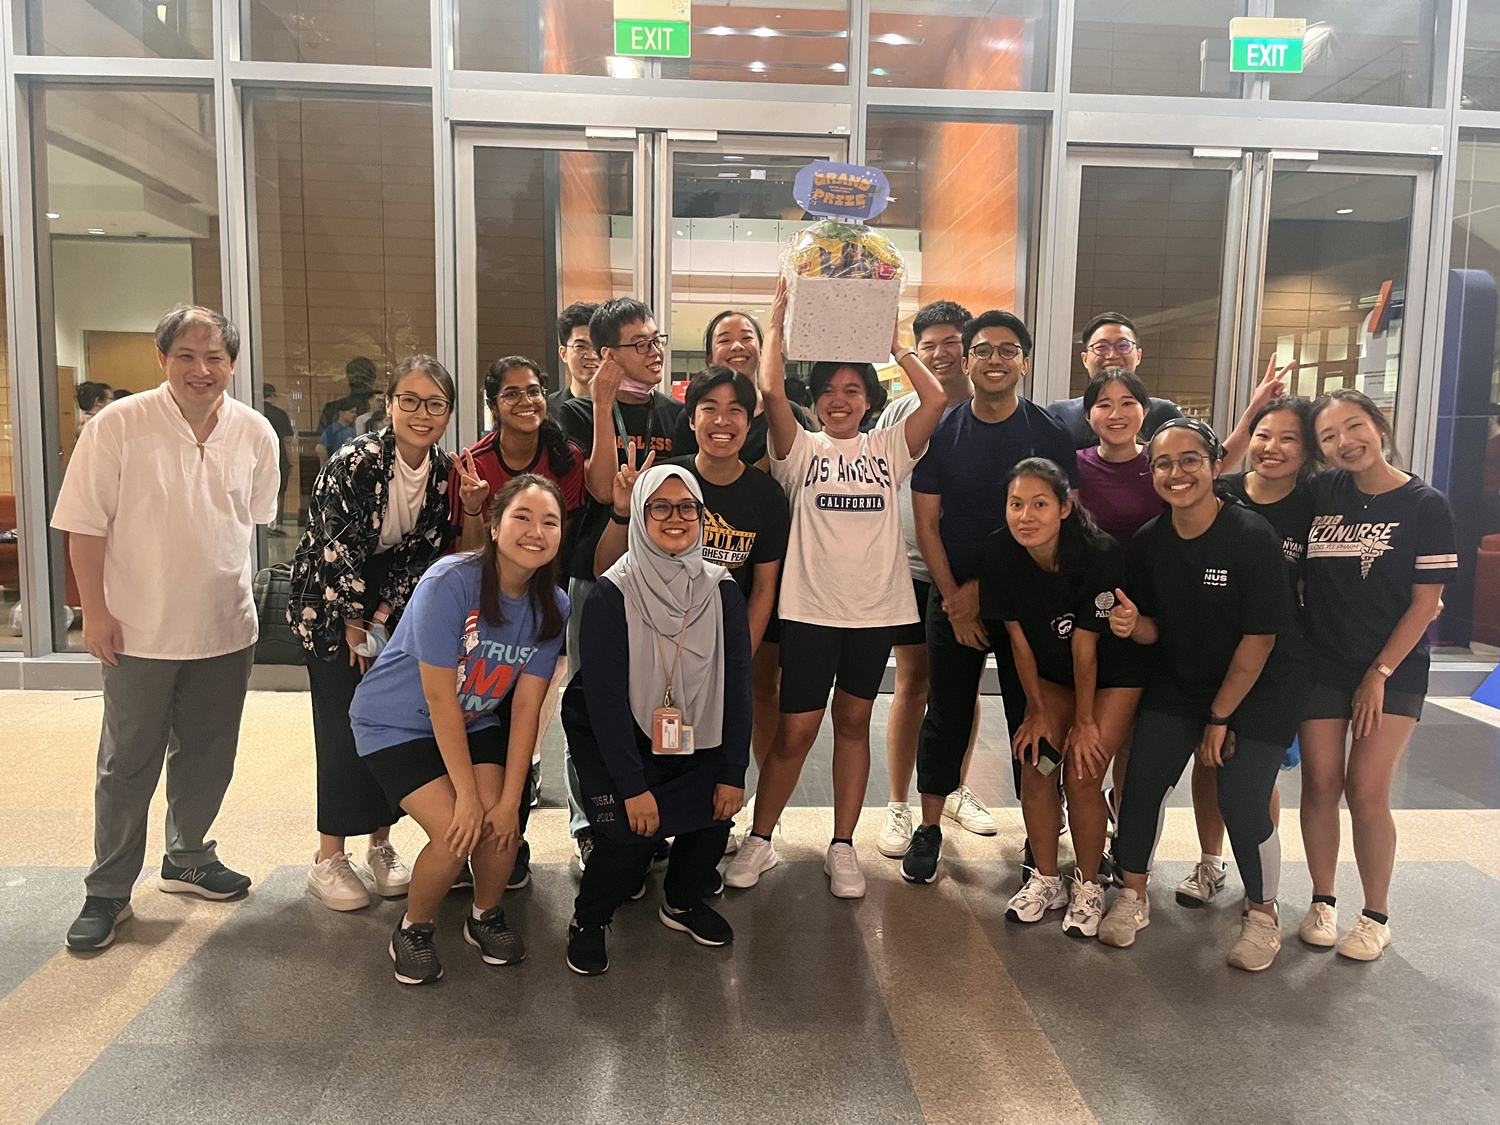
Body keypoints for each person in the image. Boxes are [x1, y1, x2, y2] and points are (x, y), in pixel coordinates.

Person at [55, 305, 280, 952]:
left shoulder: (255, 432)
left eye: (214, 357)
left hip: (224, 626)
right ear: (162, 359)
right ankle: (107, 890)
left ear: (232, 364)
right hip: (136, 630)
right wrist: (95, 613)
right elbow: (84, 526)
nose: (201, 368)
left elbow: (253, 518)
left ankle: (187, 855)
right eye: (186, 354)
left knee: (209, 756)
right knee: (128, 763)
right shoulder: (117, 426)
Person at [724, 278, 946, 899]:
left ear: (869, 398)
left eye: (852, 389)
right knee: (796, 731)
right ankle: (761, 839)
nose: (838, 399)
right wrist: (776, 313)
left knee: (854, 721)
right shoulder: (800, 450)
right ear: (816, 403)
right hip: (811, 611)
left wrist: (894, 344)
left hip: (873, 613)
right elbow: (770, 390)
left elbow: (933, 402)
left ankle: (842, 846)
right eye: (827, 390)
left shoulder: (888, 447)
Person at [1098, 419, 1306, 972]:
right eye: (1163, 464)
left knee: (1241, 795)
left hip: (1260, 688)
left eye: (1190, 460)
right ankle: (1133, 897)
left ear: (1216, 465)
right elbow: (1154, 628)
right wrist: (1130, 623)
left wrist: (1220, 717)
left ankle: (1263, 915)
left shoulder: (1250, 535)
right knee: (1140, 784)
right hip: (1182, 681)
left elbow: (1260, 639)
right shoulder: (1149, 542)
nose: (1176, 473)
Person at [348, 475, 569, 985]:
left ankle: (484, 914)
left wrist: (511, 798)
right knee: (455, 832)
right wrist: (467, 796)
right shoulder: (450, 581)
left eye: (550, 522)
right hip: (395, 721)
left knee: (498, 826)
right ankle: (413, 928)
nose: (536, 531)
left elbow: (528, 706)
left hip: (476, 719)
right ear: (494, 526)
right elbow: (439, 696)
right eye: (522, 517)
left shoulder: (554, 605)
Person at [290, 356, 478, 913]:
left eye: (435, 403)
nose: (422, 414)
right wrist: (352, 624)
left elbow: (421, 554)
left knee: (390, 724)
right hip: (327, 603)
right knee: (344, 724)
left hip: (386, 607)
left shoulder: (446, 470)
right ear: (390, 403)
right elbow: (335, 546)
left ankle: (381, 845)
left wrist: (380, 618)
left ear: (448, 411)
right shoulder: (357, 460)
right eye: (410, 401)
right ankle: (328, 857)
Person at [903, 310, 1078, 886]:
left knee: (1032, 714)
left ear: (1025, 362)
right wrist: (955, 597)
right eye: (984, 350)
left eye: (1008, 350)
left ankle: (1040, 829)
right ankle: (929, 827)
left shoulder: (1049, 432)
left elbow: (1054, 520)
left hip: (1030, 600)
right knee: (945, 710)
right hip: (952, 597)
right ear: (968, 361)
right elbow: (928, 522)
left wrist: (985, 589)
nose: (995, 359)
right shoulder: (945, 430)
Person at [562, 465, 752, 974]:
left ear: (702, 516)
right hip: (615, 735)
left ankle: (682, 903)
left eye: (687, 507)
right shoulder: (612, 594)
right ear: (641, 514)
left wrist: (733, 772)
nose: (675, 518)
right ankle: (590, 919)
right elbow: (602, 701)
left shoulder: (721, 590)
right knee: (627, 839)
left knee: (714, 819)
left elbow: (737, 684)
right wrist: (631, 785)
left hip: (694, 728)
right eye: (660, 507)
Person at [1297, 388, 1457, 961]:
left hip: (1393, 668)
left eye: (1355, 426)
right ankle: (1321, 900)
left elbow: (1425, 603)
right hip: (1322, 660)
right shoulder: (1321, 493)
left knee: (1366, 789)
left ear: (1379, 424)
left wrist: (1379, 672)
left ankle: (1375, 916)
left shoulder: (1424, 504)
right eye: (1330, 437)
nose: (1346, 442)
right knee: (1319, 782)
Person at [972, 459, 1144, 938]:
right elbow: (1018, 640)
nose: (1026, 515)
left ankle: (1089, 883)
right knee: (1038, 761)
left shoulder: (1098, 551)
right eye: (1016, 504)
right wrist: (1040, 711)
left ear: (1065, 507)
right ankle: (1047, 878)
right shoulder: (999, 552)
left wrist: (1084, 722)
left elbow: (1086, 643)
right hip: (1051, 675)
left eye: (1040, 504)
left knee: (1084, 771)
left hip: (1111, 674)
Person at [555, 298, 684, 869]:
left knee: (652, 694)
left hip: (661, 578)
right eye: (641, 344)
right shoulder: (574, 415)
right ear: (608, 355)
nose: (656, 353)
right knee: (590, 696)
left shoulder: (672, 413)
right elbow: (604, 488)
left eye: (657, 341)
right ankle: (589, 821)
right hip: (596, 574)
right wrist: (602, 402)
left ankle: (647, 811)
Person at [452, 354, 589, 887]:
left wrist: (546, 605)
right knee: (473, 718)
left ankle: (512, 837)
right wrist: (471, 509)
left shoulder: (566, 457)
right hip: (480, 612)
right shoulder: (473, 462)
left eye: (533, 391)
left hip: (538, 613)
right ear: (493, 405)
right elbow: (463, 556)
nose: (526, 402)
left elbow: (564, 538)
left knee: (524, 724)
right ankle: (462, 839)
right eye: (511, 394)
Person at [1178, 396, 1317, 908]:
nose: (1272, 448)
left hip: (1278, 662)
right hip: (1215, 654)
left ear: (1307, 450)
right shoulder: (1223, 493)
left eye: (1288, 438)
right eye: (1263, 435)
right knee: (1208, 759)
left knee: (1254, 773)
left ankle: (1255, 875)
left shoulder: (1314, 502)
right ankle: (1210, 863)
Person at [872, 300, 998, 860]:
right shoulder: (898, 412)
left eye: (952, 343)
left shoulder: (991, 411)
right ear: (915, 352)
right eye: (930, 346)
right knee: (913, 680)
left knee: (962, 684)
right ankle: (900, 802)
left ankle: (951, 786)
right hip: (906, 567)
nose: (942, 354)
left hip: (969, 575)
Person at [672, 310, 814, 468]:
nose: (737, 346)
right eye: (725, 340)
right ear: (709, 357)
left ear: (761, 351)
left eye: (746, 338)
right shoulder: (695, 415)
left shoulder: (788, 413)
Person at [1047, 312, 1183, 448]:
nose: (1112, 355)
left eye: (1123, 346)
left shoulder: (1164, 414)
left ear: (1138, 356)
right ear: (1085, 359)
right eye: (1101, 347)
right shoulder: (1060, 415)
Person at [1074, 368, 1160, 547]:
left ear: (1144, 411)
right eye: (1104, 405)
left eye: (1127, 403)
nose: (1116, 415)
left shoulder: (1163, 463)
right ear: (1087, 415)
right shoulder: (1072, 465)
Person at [549, 301, 600, 418]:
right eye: (580, 347)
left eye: (597, 346)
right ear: (563, 354)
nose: (592, 355)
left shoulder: (625, 406)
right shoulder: (548, 409)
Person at [262, 383, 296, 535]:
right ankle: (273, 524)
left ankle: (261, 525)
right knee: (277, 490)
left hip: (257, 456)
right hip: (278, 455)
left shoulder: (254, 411)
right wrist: (289, 459)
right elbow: (287, 439)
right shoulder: (280, 414)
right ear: (273, 396)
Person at [316, 397, 360, 466]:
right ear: (341, 413)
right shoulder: (332, 430)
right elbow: (320, 448)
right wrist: (327, 466)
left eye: (355, 412)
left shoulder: (351, 430)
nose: (354, 415)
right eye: (351, 412)